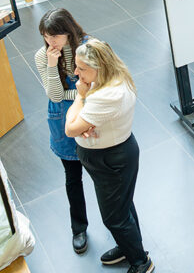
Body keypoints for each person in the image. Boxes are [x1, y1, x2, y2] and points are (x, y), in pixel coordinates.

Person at [65, 39, 153, 273]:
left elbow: (70, 129)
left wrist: (80, 98)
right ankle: (129, 247)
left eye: (81, 68)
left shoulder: (105, 94)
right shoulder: (107, 78)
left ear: (99, 66)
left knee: (114, 217)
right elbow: (83, 122)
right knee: (122, 206)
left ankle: (140, 262)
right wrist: (86, 116)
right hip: (109, 155)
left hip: (111, 159)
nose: (76, 72)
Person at [35, 9, 90, 255]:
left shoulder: (88, 47)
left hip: (88, 115)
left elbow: (96, 86)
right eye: (46, 36)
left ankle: (116, 223)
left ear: (69, 31)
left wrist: (81, 94)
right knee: (72, 177)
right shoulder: (42, 55)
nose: (51, 41)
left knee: (103, 175)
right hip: (61, 120)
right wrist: (50, 64)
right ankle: (78, 228)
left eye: (55, 35)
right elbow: (55, 95)